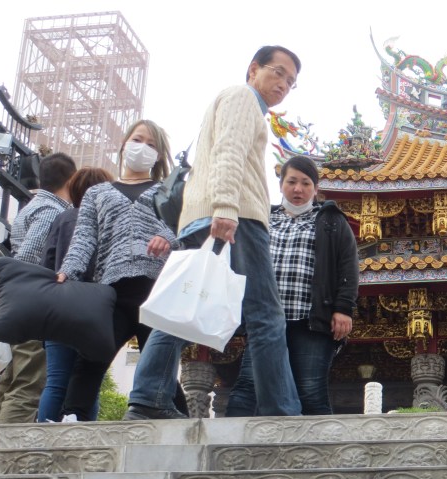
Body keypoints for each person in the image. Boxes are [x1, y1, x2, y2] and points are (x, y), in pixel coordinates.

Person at [124, 45, 304, 420]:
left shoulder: (238, 103)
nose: (284, 84)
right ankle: (281, 411)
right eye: (278, 73)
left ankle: (148, 397)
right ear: (253, 69)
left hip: (204, 215)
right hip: (234, 217)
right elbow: (230, 151)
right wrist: (226, 208)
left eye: (291, 81)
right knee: (266, 316)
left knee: (182, 305)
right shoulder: (242, 97)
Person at [55, 120, 178, 421]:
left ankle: (176, 415)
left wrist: (169, 237)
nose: (143, 148)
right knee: (93, 353)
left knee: (159, 362)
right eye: (138, 140)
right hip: (112, 288)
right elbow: (84, 237)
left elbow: (183, 228)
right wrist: (68, 271)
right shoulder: (97, 193)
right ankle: (73, 415)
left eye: (152, 144)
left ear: (160, 155)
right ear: (124, 144)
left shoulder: (169, 190)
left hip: (157, 288)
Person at [226, 155, 358, 416]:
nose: (298, 189)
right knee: (248, 386)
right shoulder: (262, 218)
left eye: (306, 183)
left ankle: (321, 455)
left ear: (316, 189)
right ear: (281, 184)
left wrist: (343, 308)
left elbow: (348, 266)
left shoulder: (331, 220)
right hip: (265, 320)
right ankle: (228, 451)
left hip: (311, 318)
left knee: (310, 390)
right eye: (292, 181)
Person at [0, 152, 76, 424]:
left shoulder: (33, 205)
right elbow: (28, 255)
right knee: (28, 386)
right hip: (33, 306)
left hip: (16, 304)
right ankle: (6, 457)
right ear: (71, 179)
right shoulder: (52, 211)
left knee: (9, 385)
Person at [37, 166, 114, 422]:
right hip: (96, 308)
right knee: (88, 380)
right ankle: (83, 437)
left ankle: (41, 437)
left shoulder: (63, 218)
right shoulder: (109, 220)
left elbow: (46, 264)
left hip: (59, 305)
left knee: (56, 380)